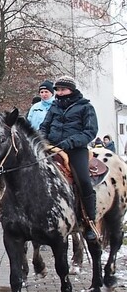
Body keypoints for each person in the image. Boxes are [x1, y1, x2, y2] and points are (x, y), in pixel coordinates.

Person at [39, 75, 98, 241]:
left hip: (75, 149)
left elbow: (90, 131)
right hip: (51, 148)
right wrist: (42, 139)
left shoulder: (86, 107)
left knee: (83, 181)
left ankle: (89, 221)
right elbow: (44, 126)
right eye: (57, 89)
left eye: (62, 89)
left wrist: (70, 142)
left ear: (71, 89)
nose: (59, 92)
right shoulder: (54, 107)